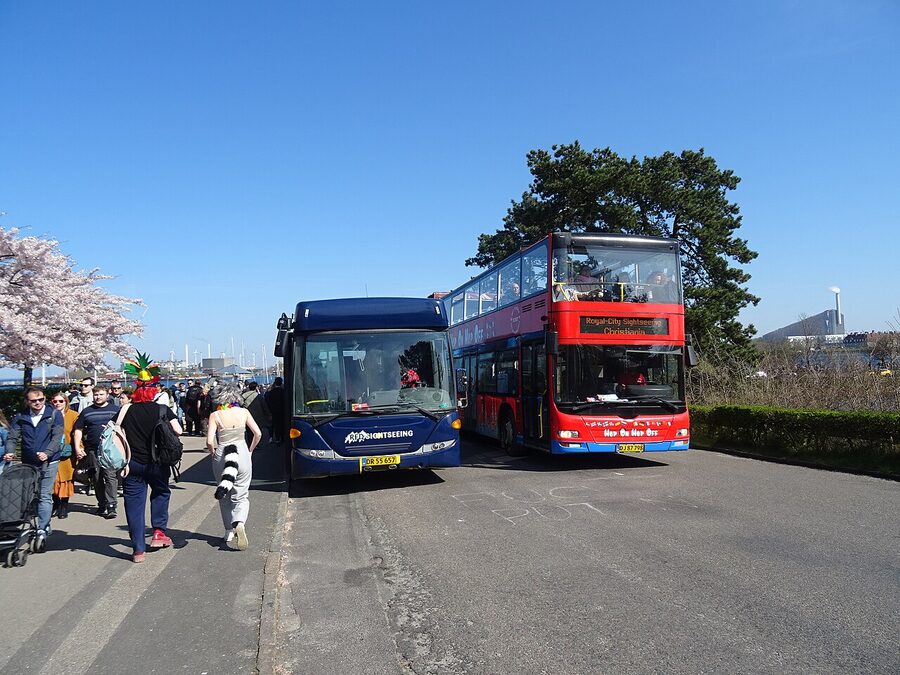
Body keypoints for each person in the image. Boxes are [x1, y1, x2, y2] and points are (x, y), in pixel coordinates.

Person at [119, 352, 182, 563]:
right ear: (154, 389)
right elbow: (179, 431)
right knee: (161, 492)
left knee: (134, 504)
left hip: (132, 464)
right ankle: (158, 532)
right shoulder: (162, 409)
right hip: (158, 462)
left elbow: (114, 433)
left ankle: (138, 549)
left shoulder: (125, 411)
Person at [207, 383, 262, 550]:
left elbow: (209, 441)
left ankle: (228, 531)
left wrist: (213, 453)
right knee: (241, 495)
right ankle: (239, 522)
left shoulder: (215, 415)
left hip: (222, 454)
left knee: (224, 496)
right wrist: (250, 450)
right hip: (242, 452)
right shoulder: (244, 412)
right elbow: (258, 433)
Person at [4, 388, 64, 540]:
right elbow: (12, 437)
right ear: (27, 401)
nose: (38, 403)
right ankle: (32, 522)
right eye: (33, 401)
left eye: (41, 400)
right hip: (29, 460)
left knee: (44, 494)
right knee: (30, 494)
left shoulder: (54, 414)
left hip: (49, 460)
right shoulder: (21, 416)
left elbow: (57, 438)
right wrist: (10, 451)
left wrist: (47, 453)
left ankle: (43, 527)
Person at [73, 384, 121, 518]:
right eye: (96, 394)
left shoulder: (115, 410)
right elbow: (78, 430)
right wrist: (78, 447)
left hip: (110, 450)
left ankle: (112, 505)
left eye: (101, 394)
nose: (98, 397)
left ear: (107, 395)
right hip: (93, 449)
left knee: (110, 476)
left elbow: (123, 428)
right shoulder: (87, 411)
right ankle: (102, 503)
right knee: (96, 476)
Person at [50, 392, 79, 519]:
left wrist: (79, 448)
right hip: (52, 453)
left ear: (66, 402)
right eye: (55, 401)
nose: (58, 404)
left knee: (67, 480)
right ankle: (55, 504)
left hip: (67, 453)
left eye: (61, 401)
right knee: (54, 480)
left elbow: (77, 434)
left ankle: (64, 506)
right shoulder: (48, 415)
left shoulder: (73, 415)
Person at [241, 381, 271, 447]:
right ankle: (256, 444)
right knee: (257, 430)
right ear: (256, 387)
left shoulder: (243, 396)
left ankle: (250, 444)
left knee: (249, 431)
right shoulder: (258, 396)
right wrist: (268, 415)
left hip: (247, 415)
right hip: (258, 416)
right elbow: (264, 406)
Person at [263, 377, 285, 443]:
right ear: (281, 383)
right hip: (283, 411)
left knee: (276, 425)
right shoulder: (284, 392)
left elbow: (268, 402)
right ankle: (282, 438)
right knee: (282, 424)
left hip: (274, 411)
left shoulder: (271, 393)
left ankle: (277, 438)